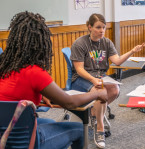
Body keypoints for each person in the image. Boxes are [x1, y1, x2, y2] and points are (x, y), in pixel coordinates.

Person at [0, 11, 108, 149]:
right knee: (78, 129)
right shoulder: (35, 73)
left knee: (51, 122)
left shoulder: (3, 66)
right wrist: (97, 94)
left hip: (4, 134)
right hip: (25, 140)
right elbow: (69, 102)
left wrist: (41, 92)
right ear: (40, 43)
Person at [70, 13, 145, 148]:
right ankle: (99, 129)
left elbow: (117, 61)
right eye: (98, 27)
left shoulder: (106, 42)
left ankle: (93, 112)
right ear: (90, 27)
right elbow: (79, 69)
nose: (102, 31)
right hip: (82, 78)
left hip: (99, 77)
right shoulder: (80, 43)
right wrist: (93, 80)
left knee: (115, 90)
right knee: (101, 92)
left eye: (103, 27)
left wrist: (132, 51)